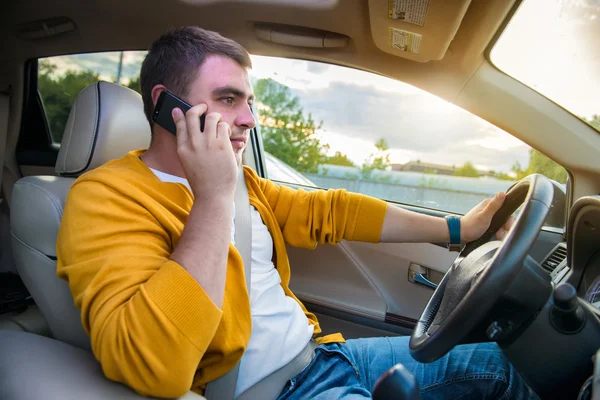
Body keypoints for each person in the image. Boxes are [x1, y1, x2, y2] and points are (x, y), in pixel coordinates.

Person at [56, 26, 536, 400]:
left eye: (249, 101)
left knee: (511, 366)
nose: (249, 118)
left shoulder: (242, 181)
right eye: (228, 99)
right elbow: (153, 362)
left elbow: (332, 211)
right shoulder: (104, 198)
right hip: (272, 389)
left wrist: (458, 228)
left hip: (325, 354)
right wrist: (214, 199)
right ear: (167, 108)